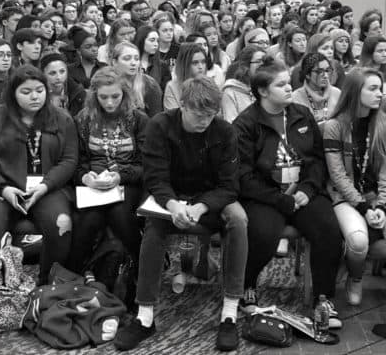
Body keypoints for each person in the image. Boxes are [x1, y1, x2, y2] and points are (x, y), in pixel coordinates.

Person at [114, 77, 248, 352]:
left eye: (210, 115)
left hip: (210, 199)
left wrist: (201, 207)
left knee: (238, 219)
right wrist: (174, 205)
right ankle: (145, 315)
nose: (204, 121)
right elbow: (154, 178)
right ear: (183, 105)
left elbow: (229, 186)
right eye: (198, 114)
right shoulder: (160, 125)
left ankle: (230, 312)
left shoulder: (224, 131)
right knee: (154, 227)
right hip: (170, 196)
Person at [233, 57, 343, 326]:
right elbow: (243, 176)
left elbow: (317, 159)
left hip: (302, 191)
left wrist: (307, 187)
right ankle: (246, 286)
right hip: (265, 195)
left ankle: (323, 299)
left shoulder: (300, 114)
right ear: (262, 91)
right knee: (262, 233)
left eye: (288, 83)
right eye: (280, 85)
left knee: (329, 230)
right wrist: (279, 199)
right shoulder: (246, 124)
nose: (287, 89)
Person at [0, 65, 77, 283]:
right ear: (13, 93)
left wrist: (45, 186)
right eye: (26, 92)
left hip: (46, 188)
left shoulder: (61, 119)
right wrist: (4, 189)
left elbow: (69, 160)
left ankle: (47, 284)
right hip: (4, 187)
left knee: (61, 224)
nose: (34, 96)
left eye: (39, 90)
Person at [69, 68, 147, 274]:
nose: (110, 102)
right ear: (94, 96)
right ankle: (75, 274)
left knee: (119, 213)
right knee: (90, 218)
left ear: (125, 94)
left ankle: (144, 266)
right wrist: (85, 177)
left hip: (128, 181)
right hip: (92, 184)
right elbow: (76, 161)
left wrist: (120, 176)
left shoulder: (138, 120)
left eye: (115, 96)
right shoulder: (84, 119)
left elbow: (145, 165)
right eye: (103, 97)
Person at [323, 67, 386, 305]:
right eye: (372, 88)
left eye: (380, 88)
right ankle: (356, 277)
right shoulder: (335, 126)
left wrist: (382, 205)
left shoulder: (382, 124)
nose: (379, 94)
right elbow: (337, 176)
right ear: (355, 91)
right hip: (345, 196)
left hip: (375, 196)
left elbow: (384, 172)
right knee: (358, 240)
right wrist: (364, 208)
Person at [112, 41, 162, 117]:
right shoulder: (107, 82)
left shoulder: (150, 84)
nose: (133, 63)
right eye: (127, 59)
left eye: (136, 59)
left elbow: (155, 119)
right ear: (115, 62)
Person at [292, 53, 341, 130]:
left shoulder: (337, 93)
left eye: (327, 70)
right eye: (319, 71)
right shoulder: (296, 98)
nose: (325, 75)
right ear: (307, 74)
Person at [221, 45, 265, 123]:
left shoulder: (267, 88)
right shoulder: (230, 91)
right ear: (246, 65)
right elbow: (231, 124)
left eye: (265, 61)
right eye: (258, 61)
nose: (263, 65)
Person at [163, 43, 208, 110]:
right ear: (185, 65)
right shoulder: (172, 87)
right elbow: (173, 117)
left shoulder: (209, 86)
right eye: (195, 63)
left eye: (203, 62)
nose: (201, 67)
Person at [40, 53, 86, 117]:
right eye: (52, 73)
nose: (58, 77)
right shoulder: (38, 94)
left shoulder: (78, 94)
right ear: (43, 74)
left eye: (62, 72)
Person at [133, 26, 171, 92]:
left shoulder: (162, 66)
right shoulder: (131, 64)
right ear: (141, 41)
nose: (156, 44)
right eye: (152, 40)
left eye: (157, 41)